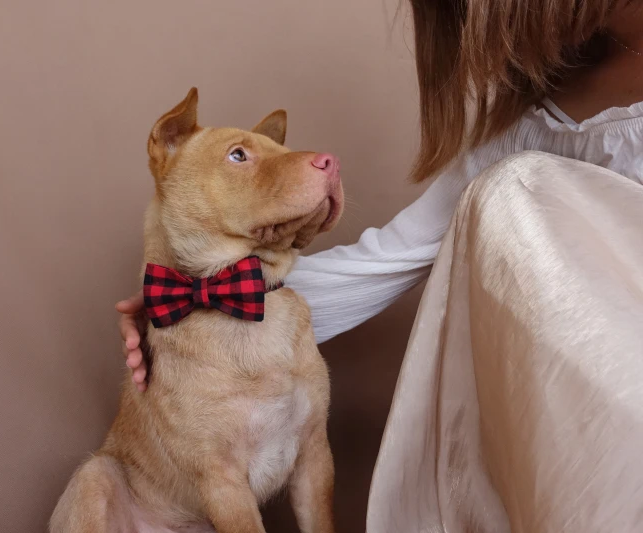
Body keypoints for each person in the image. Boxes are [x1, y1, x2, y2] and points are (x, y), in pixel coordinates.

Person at [118, 1, 643, 531]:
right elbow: (389, 257)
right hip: (588, 423)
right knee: (509, 187)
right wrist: (199, 299)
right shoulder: (529, 125)